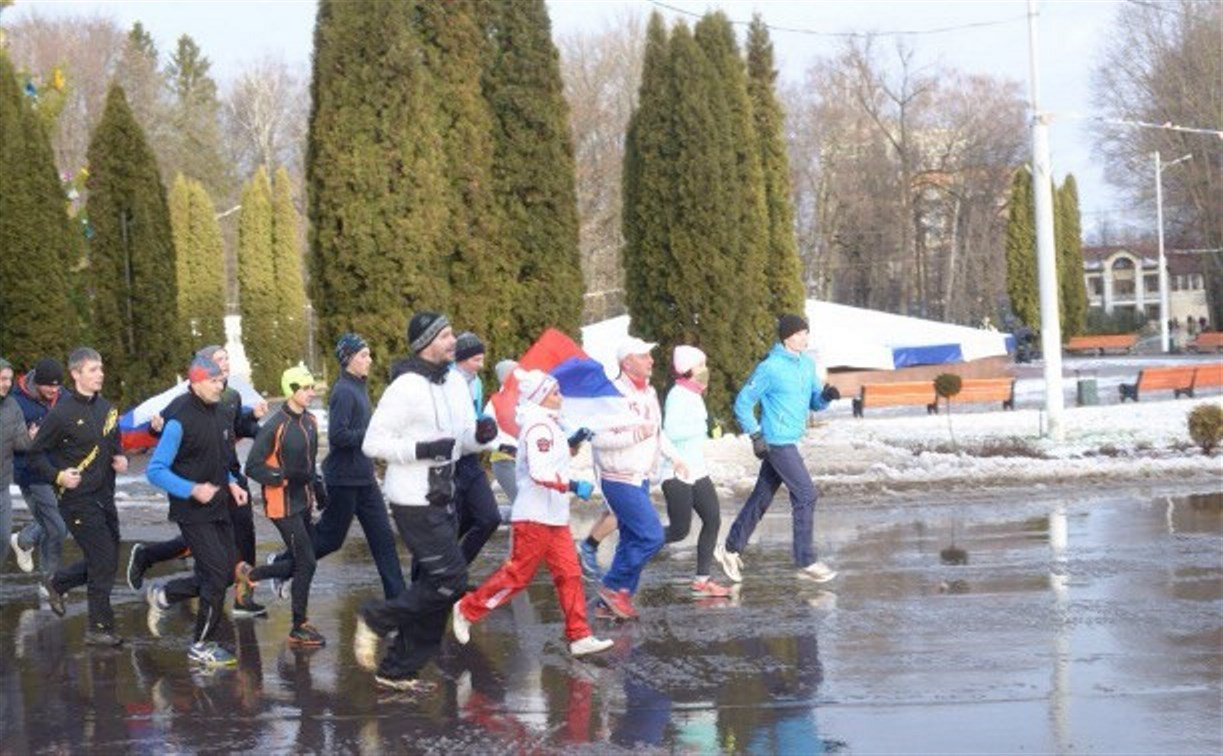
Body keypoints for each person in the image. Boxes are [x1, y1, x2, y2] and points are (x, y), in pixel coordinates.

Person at [353, 312, 499, 691]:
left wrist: (482, 436)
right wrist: (420, 449)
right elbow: (372, 443)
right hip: (412, 498)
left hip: (444, 494)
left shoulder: (453, 382)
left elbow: (462, 439)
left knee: (434, 586)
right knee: (450, 581)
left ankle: (398, 669)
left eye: (453, 333)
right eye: (447, 335)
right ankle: (375, 617)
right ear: (426, 343)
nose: (455, 341)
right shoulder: (406, 387)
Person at [450, 369, 613, 657]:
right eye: (554, 392)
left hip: (554, 516)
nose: (560, 396)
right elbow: (538, 471)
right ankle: (466, 608)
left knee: (570, 574)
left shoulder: (550, 425)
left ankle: (579, 635)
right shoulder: (539, 427)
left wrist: (573, 442)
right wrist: (573, 484)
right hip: (534, 516)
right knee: (517, 577)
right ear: (540, 398)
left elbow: (554, 457)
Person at [127, 345, 268, 618]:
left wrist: (257, 423)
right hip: (197, 485)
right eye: (217, 361)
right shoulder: (186, 403)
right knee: (206, 550)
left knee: (241, 541)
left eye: (226, 360)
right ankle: (155, 568)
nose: (224, 366)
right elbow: (165, 435)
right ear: (201, 375)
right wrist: (153, 427)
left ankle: (239, 597)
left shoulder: (232, 396)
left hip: (227, 477)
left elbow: (237, 428)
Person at [264, 334, 405, 601]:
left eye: (369, 354)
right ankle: (280, 565)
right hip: (343, 479)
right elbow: (339, 436)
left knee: (383, 539)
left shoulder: (359, 387)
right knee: (330, 539)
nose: (369, 360)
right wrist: (371, 434)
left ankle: (399, 603)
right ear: (349, 358)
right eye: (363, 355)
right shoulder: (343, 391)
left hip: (364, 478)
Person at [715, 314, 840, 584]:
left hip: (789, 438)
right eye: (802, 333)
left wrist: (825, 397)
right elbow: (742, 403)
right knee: (806, 495)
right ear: (788, 337)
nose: (806, 337)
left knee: (761, 497)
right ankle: (805, 559)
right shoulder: (770, 368)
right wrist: (755, 435)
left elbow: (814, 403)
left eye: (807, 332)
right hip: (775, 442)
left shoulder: (806, 365)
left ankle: (730, 548)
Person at [145, 353, 246, 666]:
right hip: (191, 509)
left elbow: (217, 456)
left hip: (219, 504)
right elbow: (155, 470)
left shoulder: (218, 411)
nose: (220, 386)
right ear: (197, 382)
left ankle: (165, 594)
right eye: (214, 381)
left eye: (222, 380)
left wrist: (231, 482)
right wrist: (192, 489)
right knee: (216, 575)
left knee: (225, 573)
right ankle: (201, 644)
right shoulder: (178, 418)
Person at [28, 347, 127, 646]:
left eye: (100, 369)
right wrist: (58, 476)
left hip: (104, 495)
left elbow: (113, 443)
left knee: (109, 557)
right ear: (76, 374)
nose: (100, 374)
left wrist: (119, 457)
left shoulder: (108, 408)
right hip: (77, 500)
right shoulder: (61, 413)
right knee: (102, 559)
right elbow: (35, 456)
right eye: (93, 370)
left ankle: (58, 583)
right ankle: (99, 629)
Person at [589, 336, 688, 620]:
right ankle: (610, 588)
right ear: (627, 362)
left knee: (633, 539)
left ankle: (613, 601)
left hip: (640, 476)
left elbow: (656, 431)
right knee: (652, 536)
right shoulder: (611, 394)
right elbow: (597, 438)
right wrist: (634, 434)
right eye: (644, 356)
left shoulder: (649, 393)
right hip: (617, 477)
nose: (652, 361)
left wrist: (676, 457)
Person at [235, 364, 325, 647]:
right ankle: (298, 626)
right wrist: (285, 476)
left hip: (303, 502)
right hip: (280, 505)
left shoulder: (310, 421)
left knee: (303, 561)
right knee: (307, 562)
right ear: (292, 390)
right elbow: (253, 467)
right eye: (306, 388)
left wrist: (319, 487)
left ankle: (251, 575)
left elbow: (310, 465)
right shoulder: (275, 425)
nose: (311, 392)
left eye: (312, 387)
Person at [661, 346, 732, 598]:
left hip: (697, 470)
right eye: (701, 366)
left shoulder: (695, 394)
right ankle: (638, 542)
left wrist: (712, 426)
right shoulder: (678, 394)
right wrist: (701, 427)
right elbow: (670, 432)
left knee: (712, 519)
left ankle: (702, 580)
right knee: (680, 530)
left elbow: (696, 428)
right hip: (677, 471)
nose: (705, 371)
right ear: (688, 370)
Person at [9, 358, 69, 586]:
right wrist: (27, 438)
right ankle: (49, 581)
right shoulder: (16, 403)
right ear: (37, 384)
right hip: (31, 473)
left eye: (57, 386)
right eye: (49, 386)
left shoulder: (63, 396)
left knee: (57, 523)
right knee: (57, 527)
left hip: (58, 470)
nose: (54, 390)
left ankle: (24, 540)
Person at [450, 331, 502, 565]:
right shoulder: (448, 380)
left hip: (470, 456)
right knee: (451, 524)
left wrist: (485, 427)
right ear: (461, 358)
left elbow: (475, 415)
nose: (481, 365)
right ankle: (430, 578)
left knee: (489, 517)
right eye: (476, 359)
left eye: (482, 358)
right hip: (450, 459)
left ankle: (455, 570)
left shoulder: (477, 382)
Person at [1, 358, 37, 569]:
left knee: (3, 539)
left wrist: (31, 438)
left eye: (9, 379)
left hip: (2, 485)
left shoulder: (12, 405)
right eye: (2, 379)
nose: (6, 383)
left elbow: (19, 443)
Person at [485, 359, 520, 505]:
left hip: (522, 461)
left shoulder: (524, 400)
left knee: (526, 506)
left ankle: (499, 517)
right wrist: (503, 447)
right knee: (521, 504)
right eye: (515, 374)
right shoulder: (493, 404)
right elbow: (484, 437)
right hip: (504, 460)